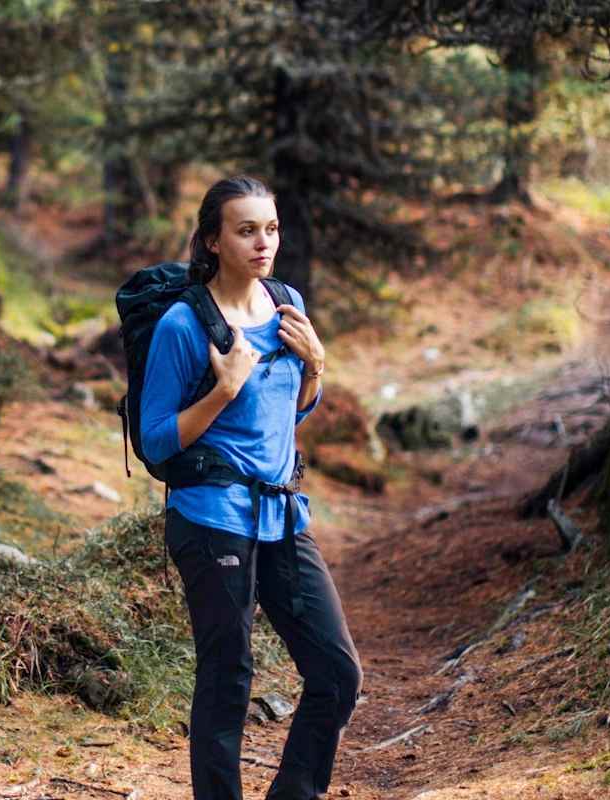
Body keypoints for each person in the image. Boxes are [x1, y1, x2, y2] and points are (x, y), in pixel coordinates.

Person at [140, 175, 362, 800]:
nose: (263, 242)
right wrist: (223, 390)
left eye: (270, 228)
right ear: (212, 241)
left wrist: (315, 367)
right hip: (212, 519)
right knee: (228, 675)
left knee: (336, 673)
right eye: (245, 230)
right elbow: (157, 441)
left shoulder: (287, 304)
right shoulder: (185, 326)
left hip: (282, 516)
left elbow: (290, 413)